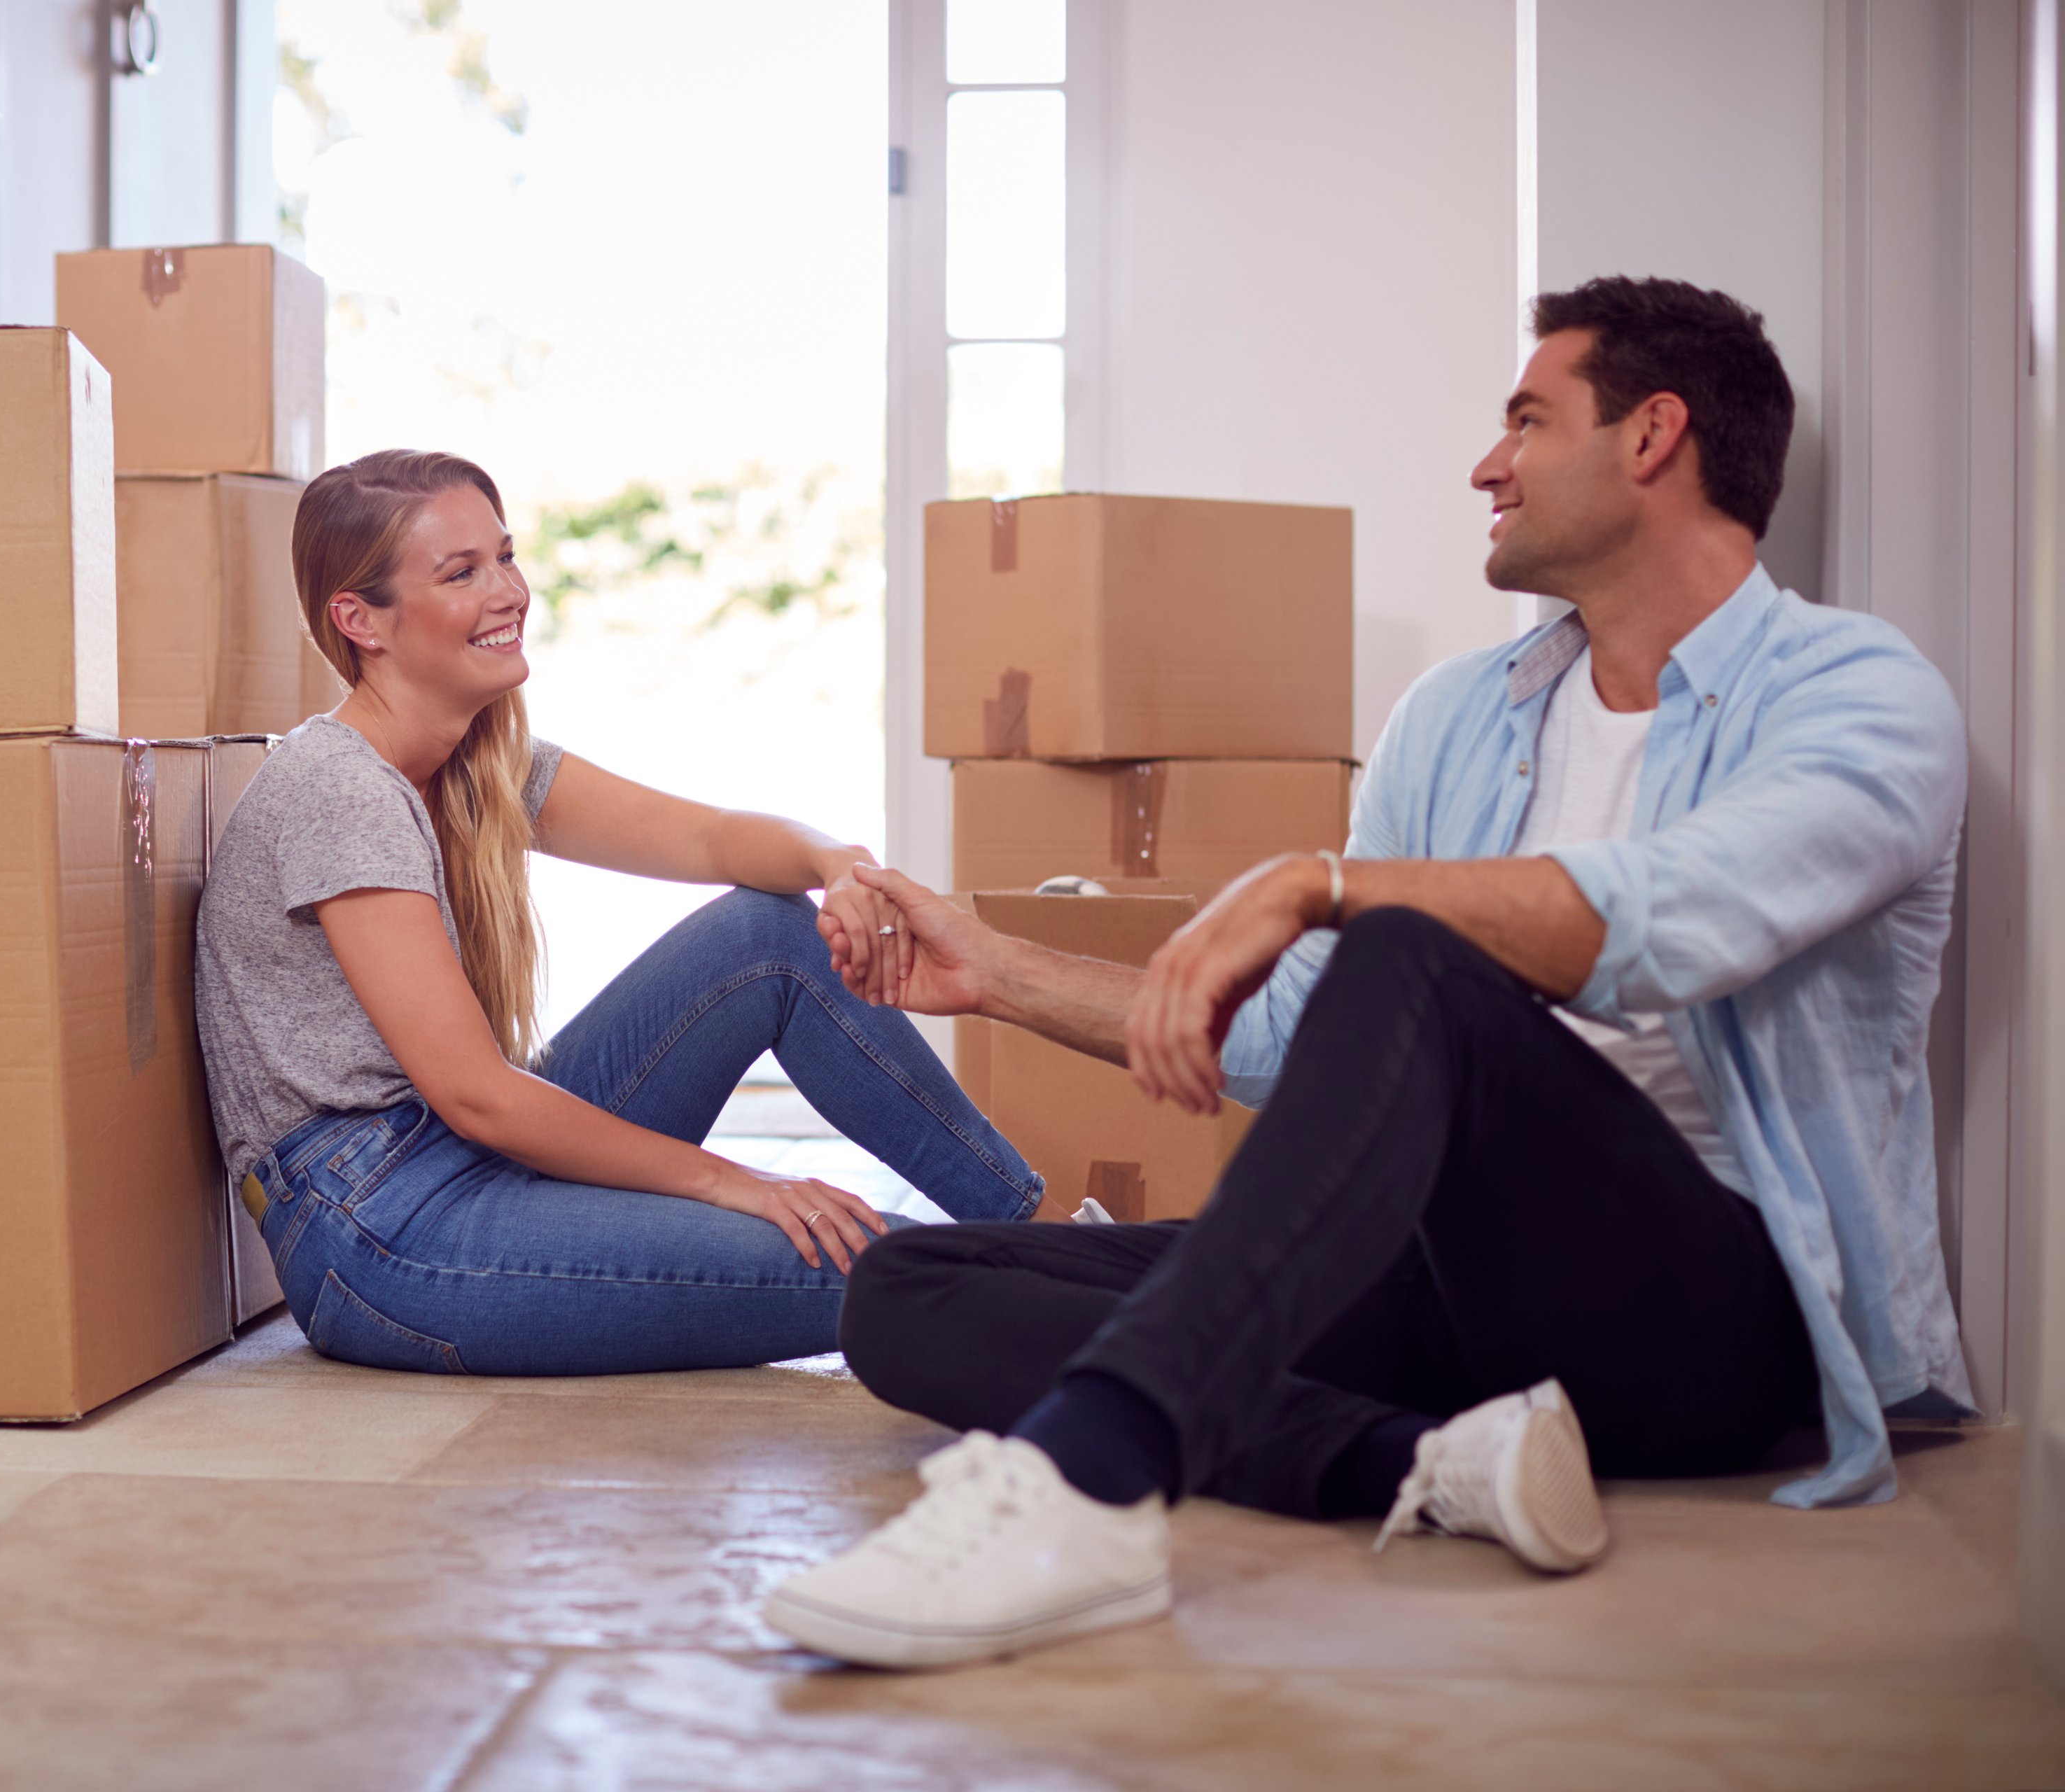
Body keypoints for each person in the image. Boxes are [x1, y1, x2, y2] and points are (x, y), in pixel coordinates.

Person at [764, 276, 1972, 1670]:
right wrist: (996, 972)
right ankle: (1426, 1460)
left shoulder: (1861, 696)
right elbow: (1286, 1035)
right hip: (1460, 1290)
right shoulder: (1462, 716)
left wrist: (1326, 886)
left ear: (1652, 436)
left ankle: (1096, 1479)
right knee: (911, 1286)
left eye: (1527, 418)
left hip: (1711, 1317)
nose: (1486, 463)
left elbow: (1676, 916)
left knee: (1409, 952)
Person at [193, 449, 1048, 1379]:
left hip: (454, 1162)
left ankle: (1045, 1234)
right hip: (381, 1228)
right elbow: (478, 1096)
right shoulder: (339, 788)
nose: (509, 591)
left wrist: (834, 860)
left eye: (506, 557)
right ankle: (1106, 1307)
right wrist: (740, 1185)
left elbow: (712, 842)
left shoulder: (484, 766)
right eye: (462, 572)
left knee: (770, 935)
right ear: (361, 621)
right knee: (878, 1267)